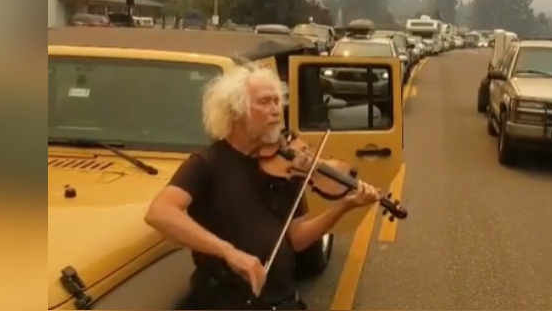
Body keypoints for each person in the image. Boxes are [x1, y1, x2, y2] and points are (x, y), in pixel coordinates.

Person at [144, 64, 380, 310]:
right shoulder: (208, 163)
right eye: (265, 102)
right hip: (228, 302)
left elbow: (296, 240)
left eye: (278, 101)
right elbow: (160, 212)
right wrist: (228, 251)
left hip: (283, 302)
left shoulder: (284, 164)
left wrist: (343, 206)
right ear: (236, 111)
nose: (276, 110)